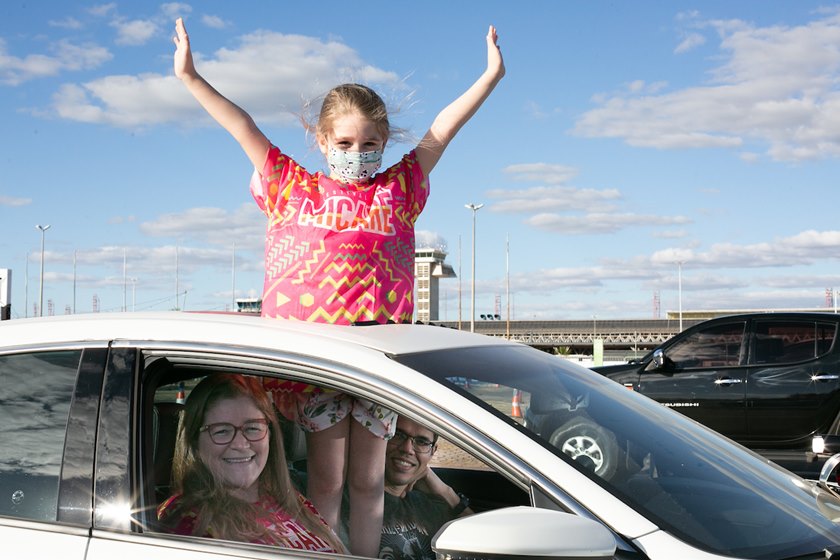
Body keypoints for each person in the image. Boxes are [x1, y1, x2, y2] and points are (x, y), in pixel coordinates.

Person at [173, 18, 503, 556]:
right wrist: (190, 77)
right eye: (346, 142)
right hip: (321, 363)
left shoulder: (399, 188)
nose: (358, 152)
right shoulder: (292, 187)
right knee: (326, 482)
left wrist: (488, 77)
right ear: (323, 140)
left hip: (379, 359)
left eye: (371, 143)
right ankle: (323, 553)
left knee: (369, 484)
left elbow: (442, 129)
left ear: (384, 143)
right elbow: (242, 125)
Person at [157, 374, 346, 553]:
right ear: (195, 441)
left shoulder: (291, 499)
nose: (240, 444)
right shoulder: (187, 523)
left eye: (253, 428)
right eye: (221, 431)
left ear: (270, 435)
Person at [377, 417, 473, 560]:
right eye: (398, 435)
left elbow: (479, 541)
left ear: (432, 451)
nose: (407, 449)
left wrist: (446, 492)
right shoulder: (352, 499)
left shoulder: (424, 504)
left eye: (421, 442)